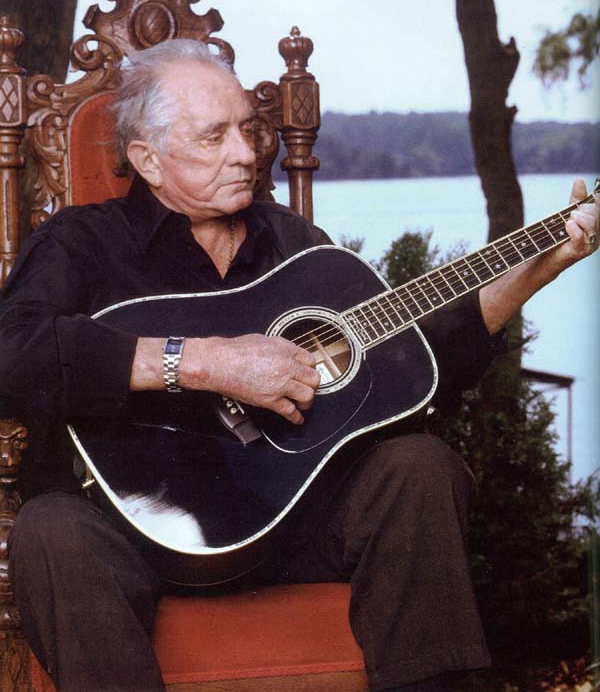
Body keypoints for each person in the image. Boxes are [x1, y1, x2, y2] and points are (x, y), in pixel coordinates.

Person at [0, 39, 598, 692]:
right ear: (147, 158)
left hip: (293, 521)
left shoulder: (299, 248)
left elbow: (409, 368)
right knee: (49, 528)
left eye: (249, 130)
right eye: (214, 136)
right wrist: (203, 362)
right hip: (135, 533)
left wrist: (533, 271)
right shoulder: (81, 242)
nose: (248, 153)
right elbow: (13, 352)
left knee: (420, 466)